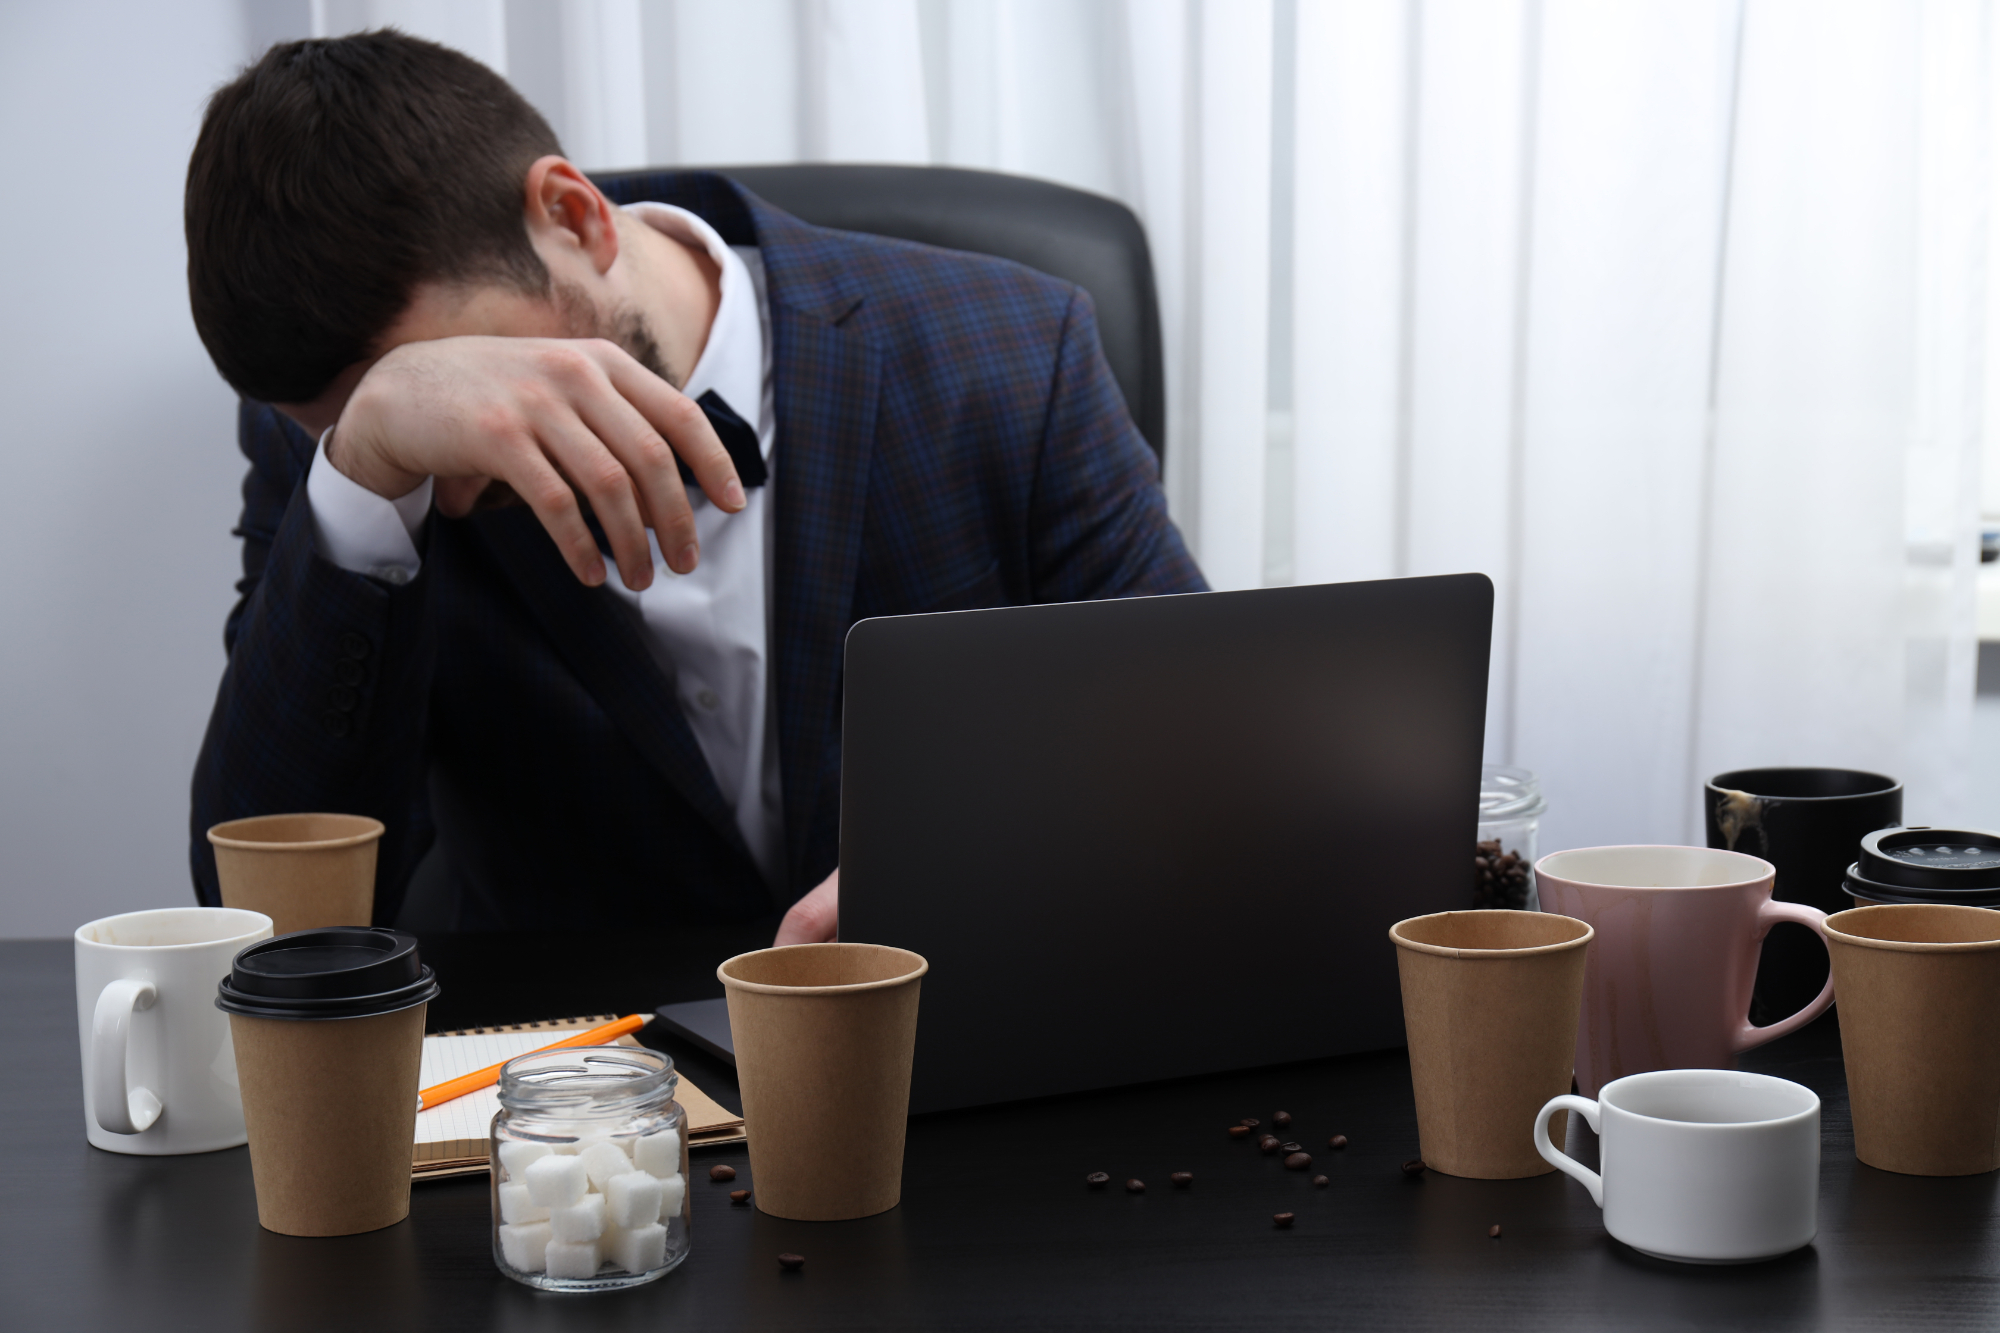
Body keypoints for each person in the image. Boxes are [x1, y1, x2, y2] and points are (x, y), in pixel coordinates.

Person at [185, 30, 1204, 940]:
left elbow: (1185, 747)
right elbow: (264, 919)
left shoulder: (1015, 351)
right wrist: (369, 475)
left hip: (952, 1035)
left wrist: (991, 859)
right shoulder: (339, 464)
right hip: (575, 1095)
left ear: (574, 216)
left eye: (475, 375)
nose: (454, 492)